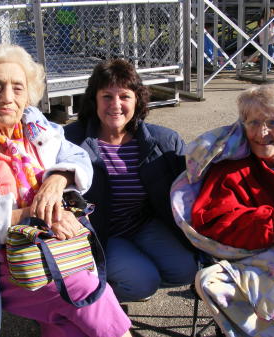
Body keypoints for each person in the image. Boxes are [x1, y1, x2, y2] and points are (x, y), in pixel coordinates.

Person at [0, 44, 132, 337]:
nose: (7, 98)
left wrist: (57, 179)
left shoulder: (34, 126)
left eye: (17, 88)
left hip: (47, 246)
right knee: (82, 286)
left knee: (69, 323)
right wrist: (33, 214)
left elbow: (78, 158)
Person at [171, 83, 274, 336]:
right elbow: (215, 224)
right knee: (210, 283)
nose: (262, 132)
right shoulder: (231, 170)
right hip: (255, 260)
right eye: (253, 123)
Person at [64, 59, 197, 302]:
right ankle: (104, 299)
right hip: (101, 233)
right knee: (143, 283)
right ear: (94, 100)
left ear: (137, 100)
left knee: (186, 269)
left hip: (141, 224)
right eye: (107, 96)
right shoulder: (70, 140)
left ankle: (125, 274)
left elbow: (193, 185)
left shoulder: (163, 141)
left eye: (124, 96)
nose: (116, 105)